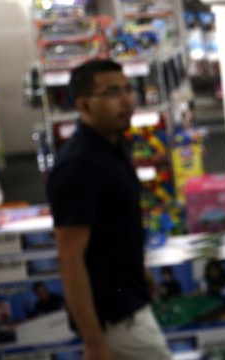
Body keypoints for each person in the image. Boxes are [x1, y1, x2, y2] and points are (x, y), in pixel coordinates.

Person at [46, 60, 171, 360]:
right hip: (114, 316)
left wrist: (138, 270)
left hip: (129, 297)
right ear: (84, 104)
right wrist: (94, 341)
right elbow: (70, 258)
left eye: (128, 89)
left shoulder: (115, 146)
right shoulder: (78, 166)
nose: (127, 100)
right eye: (113, 92)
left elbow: (114, 225)